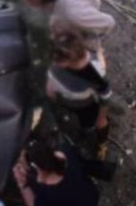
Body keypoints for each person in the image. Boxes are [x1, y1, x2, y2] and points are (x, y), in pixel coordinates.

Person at [47, 29, 113, 161]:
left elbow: (105, 94)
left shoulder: (94, 72)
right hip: (64, 98)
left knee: (88, 122)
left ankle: (97, 139)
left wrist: (102, 117)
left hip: (85, 105)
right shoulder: (53, 56)